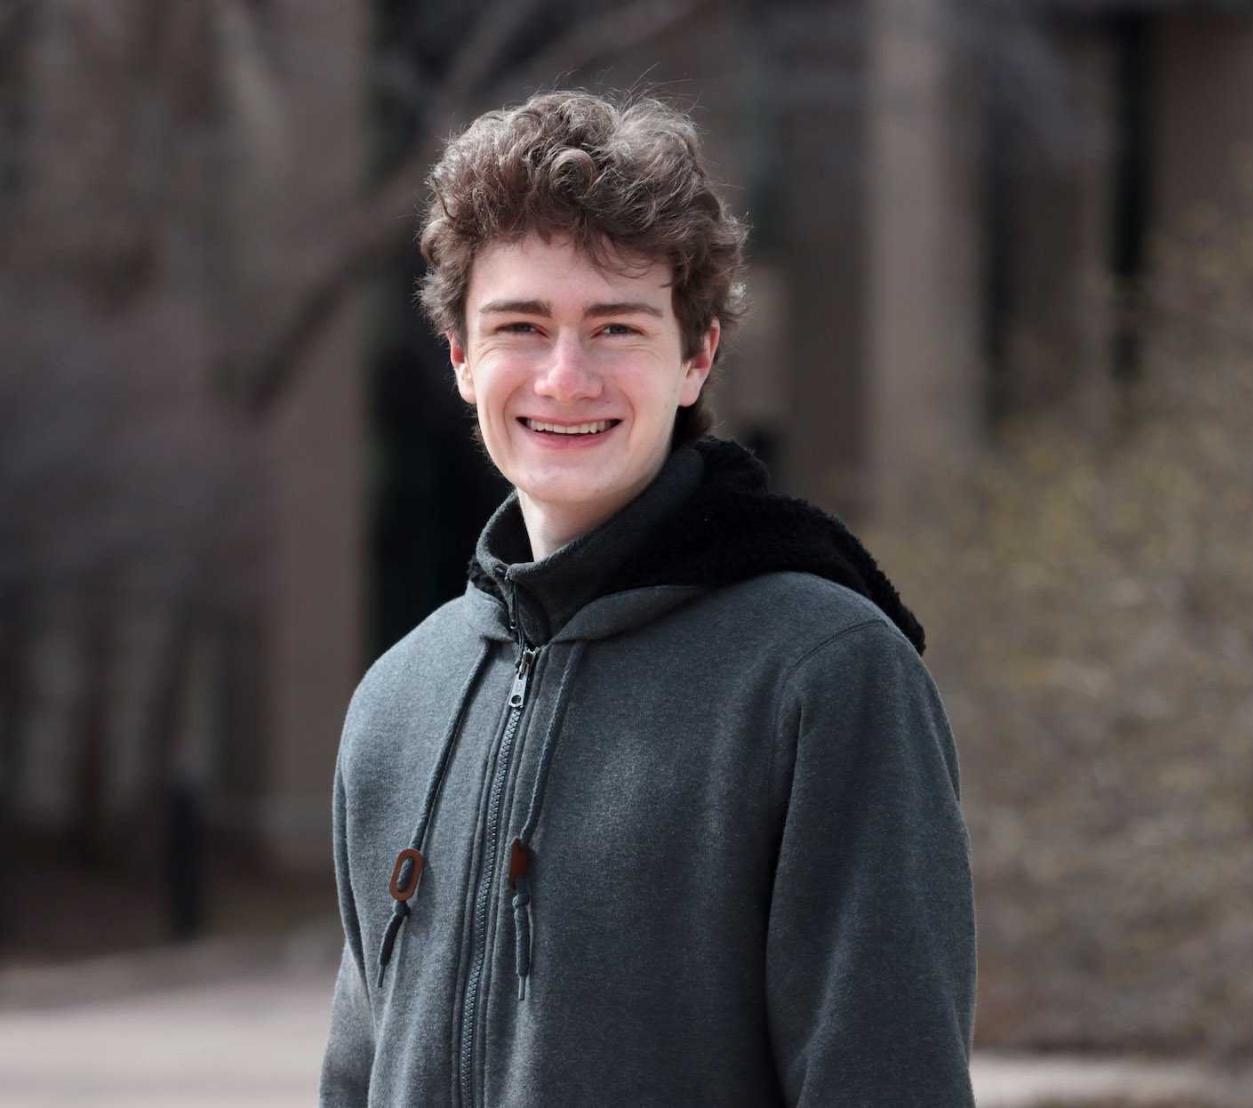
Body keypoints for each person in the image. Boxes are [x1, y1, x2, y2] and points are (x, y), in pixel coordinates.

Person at [319, 89, 977, 1107]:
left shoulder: (826, 676)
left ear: (696, 356)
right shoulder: (398, 701)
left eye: (614, 327)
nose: (564, 376)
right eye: (520, 327)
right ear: (462, 360)